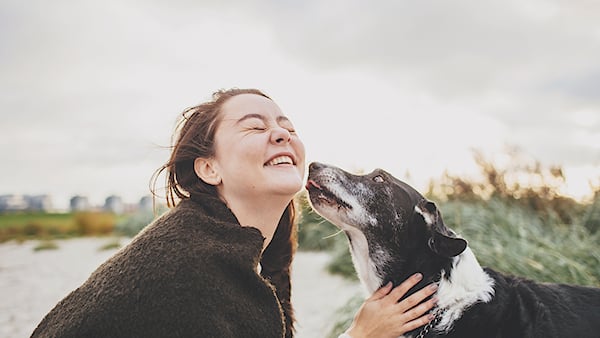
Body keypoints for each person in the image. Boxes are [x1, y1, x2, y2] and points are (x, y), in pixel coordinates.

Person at [30, 88, 438, 338]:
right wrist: (360, 335)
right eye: (254, 127)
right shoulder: (189, 266)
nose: (281, 133)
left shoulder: (216, 243)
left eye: (287, 126)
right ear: (209, 167)